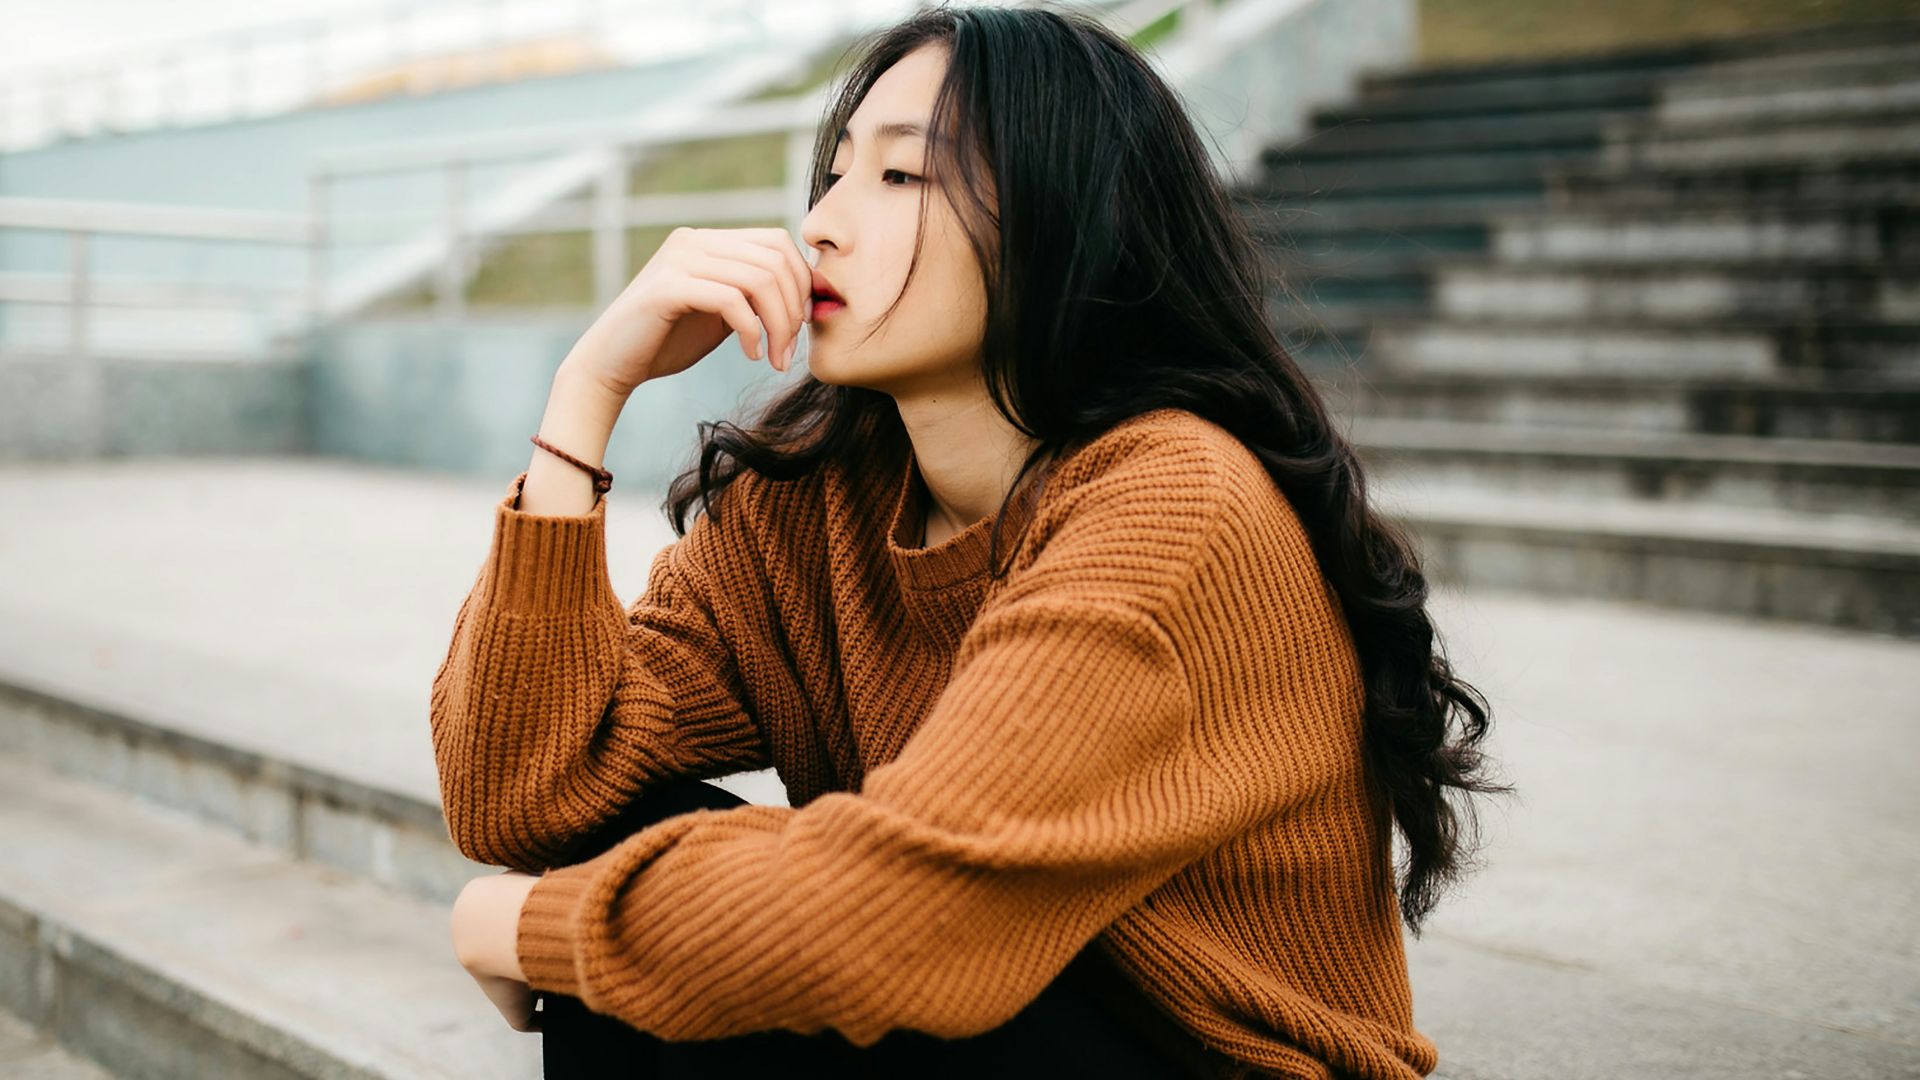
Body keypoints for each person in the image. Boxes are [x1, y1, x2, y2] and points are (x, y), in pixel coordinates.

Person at [433, 4, 1512, 1078]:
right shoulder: (815, 500)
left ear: (1061, 223)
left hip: (1195, 1056)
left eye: (901, 178)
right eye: (836, 174)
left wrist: (533, 929)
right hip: (985, 1015)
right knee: (634, 854)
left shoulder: (1172, 505)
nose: (822, 226)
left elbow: (909, 915)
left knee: (703, 931)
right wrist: (585, 398)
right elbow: (523, 792)